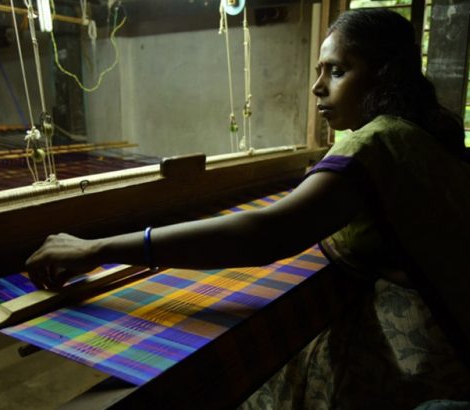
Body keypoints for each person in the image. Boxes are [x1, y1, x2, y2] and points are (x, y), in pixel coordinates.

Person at [26, 8, 470, 409]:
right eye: (319, 70)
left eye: (336, 70)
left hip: (432, 368)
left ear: (383, 78)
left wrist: (95, 249)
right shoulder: (429, 137)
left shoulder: (377, 141)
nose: (317, 86)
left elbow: (262, 234)